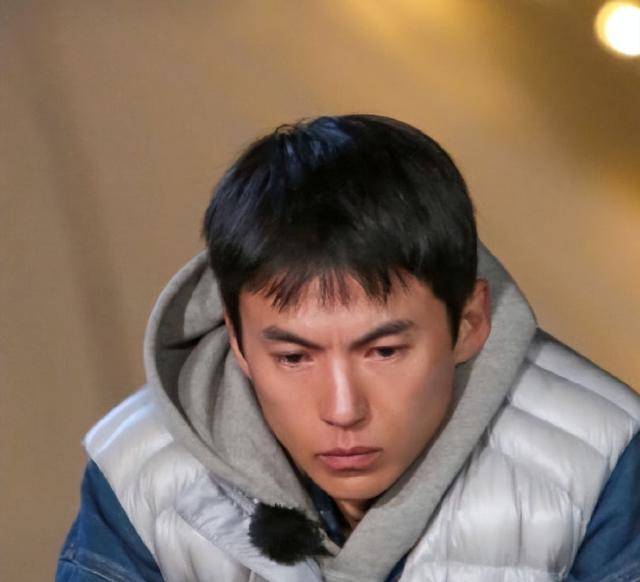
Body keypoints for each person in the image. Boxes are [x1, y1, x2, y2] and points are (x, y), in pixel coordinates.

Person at [57, 114, 640, 582]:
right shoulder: (142, 473)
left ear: (469, 323)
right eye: (294, 358)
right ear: (237, 341)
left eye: (383, 352)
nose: (342, 409)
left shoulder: (600, 459)